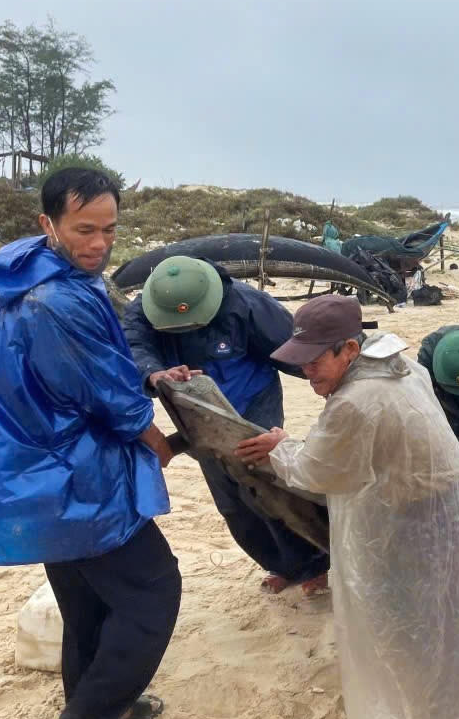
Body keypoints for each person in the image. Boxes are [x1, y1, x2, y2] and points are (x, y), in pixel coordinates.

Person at [0, 167, 180, 719]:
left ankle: (102, 705)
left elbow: (95, 366)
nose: (98, 244)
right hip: (65, 468)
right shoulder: (56, 300)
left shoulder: (27, 270)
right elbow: (102, 390)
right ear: (48, 223)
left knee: (85, 600)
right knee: (153, 590)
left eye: (109, 230)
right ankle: (87, 718)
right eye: (84, 230)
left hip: (29, 460)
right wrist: (154, 436)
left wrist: (145, 378)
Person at [234, 297, 459, 719]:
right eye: (300, 360)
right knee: (451, 619)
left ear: (349, 349)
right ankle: (451, 711)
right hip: (455, 506)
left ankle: (438, 717)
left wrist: (281, 447)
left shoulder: (356, 401)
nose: (305, 371)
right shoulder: (404, 368)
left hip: (419, 514)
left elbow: (316, 470)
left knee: (416, 627)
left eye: (314, 360)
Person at [122, 254, 329, 594]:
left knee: (264, 489)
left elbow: (296, 349)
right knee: (231, 502)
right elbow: (134, 349)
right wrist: (155, 373)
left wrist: (331, 384)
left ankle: (314, 565)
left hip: (253, 402)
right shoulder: (141, 310)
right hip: (195, 409)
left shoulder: (248, 304)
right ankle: (284, 566)